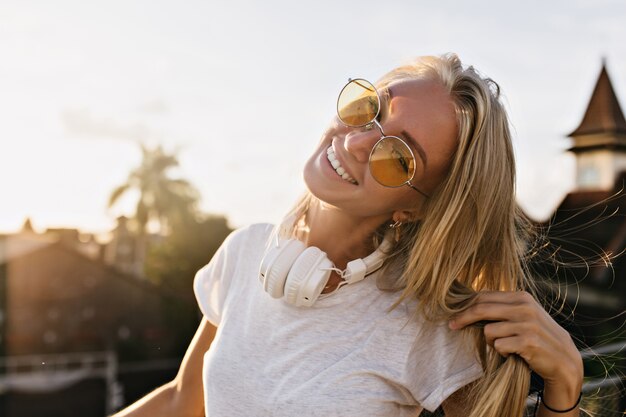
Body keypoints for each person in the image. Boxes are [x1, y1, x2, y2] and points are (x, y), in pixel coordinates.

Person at [112, 53, 583, 417]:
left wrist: (563, 387)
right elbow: (180, 402)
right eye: (369, 108)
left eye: (398, 157)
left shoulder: (430, 323)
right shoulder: (244, 253)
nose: (356, 141)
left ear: (415, 207)